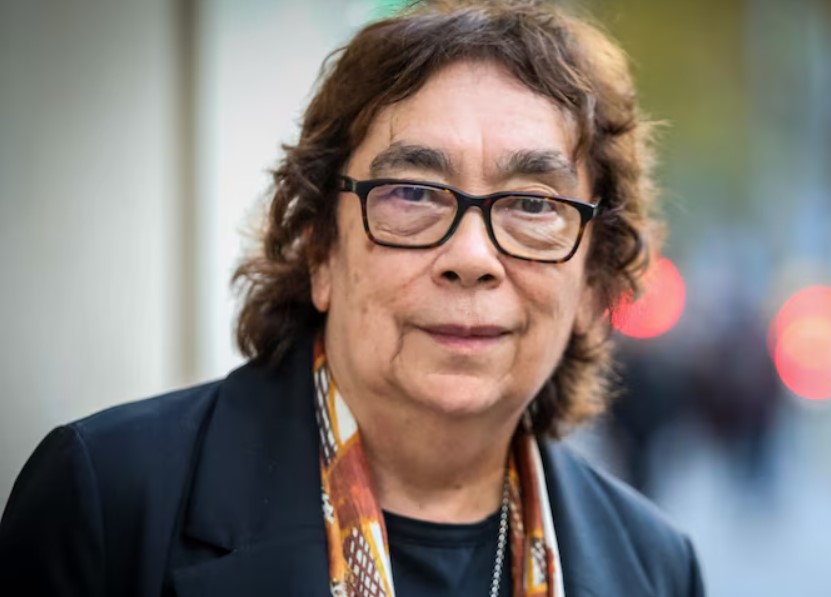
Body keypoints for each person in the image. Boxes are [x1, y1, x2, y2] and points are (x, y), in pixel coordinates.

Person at [0, 0, 704, 595]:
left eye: (531, 203)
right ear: (319, 248)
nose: (471, 257)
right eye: (412, 194)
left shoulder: (656, 567)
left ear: (592, 283)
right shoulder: (107, 502)